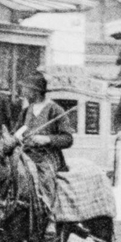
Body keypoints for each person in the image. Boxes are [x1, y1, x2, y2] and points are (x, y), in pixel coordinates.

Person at [14, 72, 73, 205]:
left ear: (36, 91)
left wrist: (47, 139)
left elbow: (68, 139)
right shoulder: (25, 111)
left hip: (47, 155)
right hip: (25, 153)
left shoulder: (55, 110)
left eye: (26, 89)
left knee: (45, 178)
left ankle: (49, 215)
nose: (23, 92)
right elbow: (16, 131)